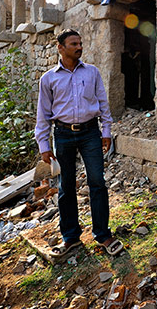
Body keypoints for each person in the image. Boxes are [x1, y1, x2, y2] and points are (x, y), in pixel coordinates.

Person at [35, 29, 122, 256]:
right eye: (73, 43)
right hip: (62, 135)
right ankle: (71, 238)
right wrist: (44, 146)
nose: (79, 47)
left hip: (90, 133)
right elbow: (43, 115)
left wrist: (106, 131)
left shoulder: (92, 72)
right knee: (66, 187)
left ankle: (103, 234)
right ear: (60, 48)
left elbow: (103, 103)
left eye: (80, 43)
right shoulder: (49, 78)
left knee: (97, 182)